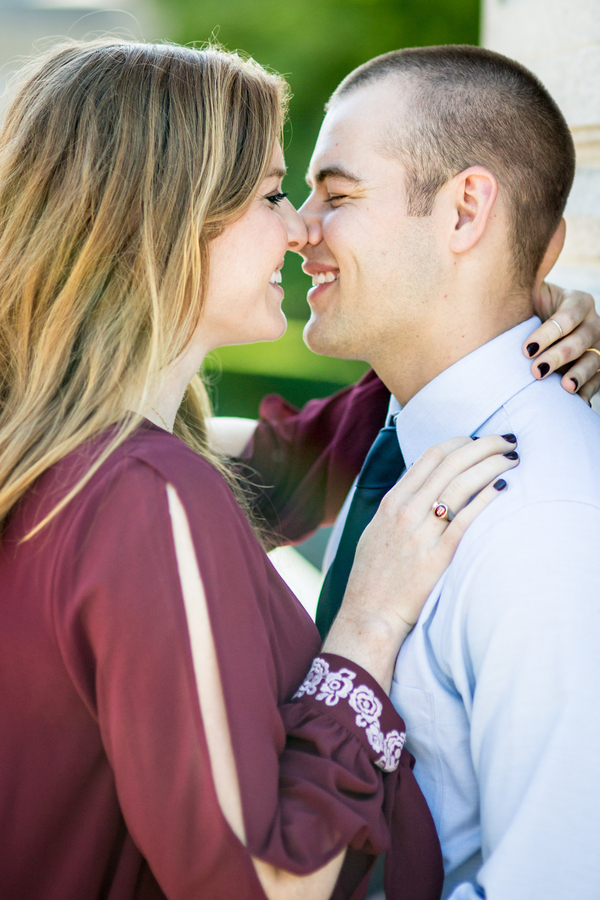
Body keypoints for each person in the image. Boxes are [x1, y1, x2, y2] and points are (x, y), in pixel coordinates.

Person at [0, 39, 528, 900]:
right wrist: (370, 622)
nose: (299, 230)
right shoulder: (142, 492)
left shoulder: (66, 456)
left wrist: (515, 323)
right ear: (160, 215)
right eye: (272, 194)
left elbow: (303, 462)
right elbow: (260, 885)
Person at [233, 45, 600, 900]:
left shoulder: (544, 523)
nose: (300, 230)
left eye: (338, 194)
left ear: (466, 211)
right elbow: (210, 467)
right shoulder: (391, 428)